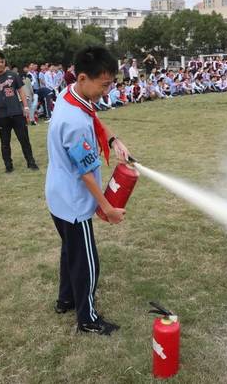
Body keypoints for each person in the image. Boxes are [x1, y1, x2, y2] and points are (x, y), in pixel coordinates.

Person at [45, 46, 131, 336]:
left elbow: (93, 116)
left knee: (71, 252)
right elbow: (85, 174)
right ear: (83, 77)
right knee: (87, 261)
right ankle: (88, 319)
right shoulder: (75, 123)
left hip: (57, 196)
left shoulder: (71, 93)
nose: (106, 91)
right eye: (104, 85)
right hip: (73, 202)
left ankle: (66, 300)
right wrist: (106, 207)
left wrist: (112, 139)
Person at [0, 51, 38, 173]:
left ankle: (31, 162)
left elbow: (21, 91)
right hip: (2, 115)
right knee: (5, 143)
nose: (1, 64)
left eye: (3, 61)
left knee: (24, 139)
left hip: (17, 113)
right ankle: (8, 166)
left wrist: (26, 107)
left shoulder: (13, 75)